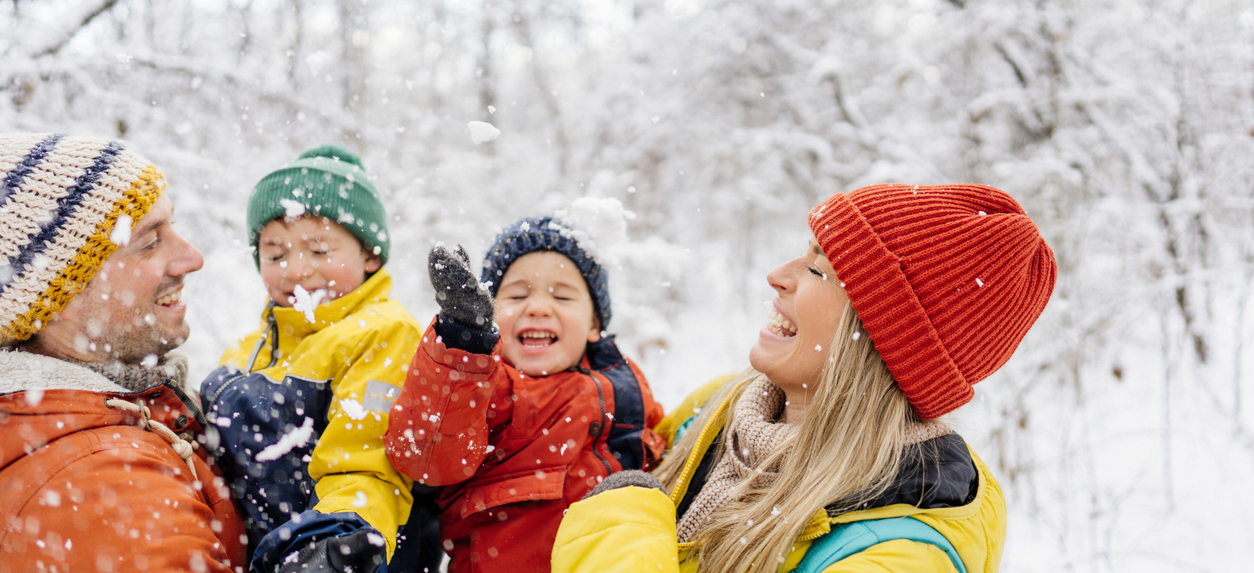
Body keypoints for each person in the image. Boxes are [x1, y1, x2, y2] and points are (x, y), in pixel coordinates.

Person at [552, 183, 1056, 573]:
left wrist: (618, 526)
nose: (778, 273)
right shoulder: (725, 406)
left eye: (819, 269)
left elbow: (623, 510)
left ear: (882, 337)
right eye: (805, 251)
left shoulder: (898, 553)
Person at [0, 132, 248, 573]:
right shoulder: (105, 485)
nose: (192, 258)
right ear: (59, 296)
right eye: (150, 242)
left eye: (172, 226)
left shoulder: (81, 422)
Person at [200, 145, 439, 573]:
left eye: (319, 249)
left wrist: (333, 545)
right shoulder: (245, 351)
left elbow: (365, 466)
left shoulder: (383, 333)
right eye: (275, 254)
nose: (295, 270)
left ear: (369, 254)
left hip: (339, 556)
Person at [385, 215, 667, 573]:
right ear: (488, 309)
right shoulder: (484, 385)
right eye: (517, 295)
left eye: (562, 295)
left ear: (595, 323)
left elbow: (662, 449)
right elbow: (424, 455)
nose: (537, 307)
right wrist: (463, 343)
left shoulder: (628, 385)